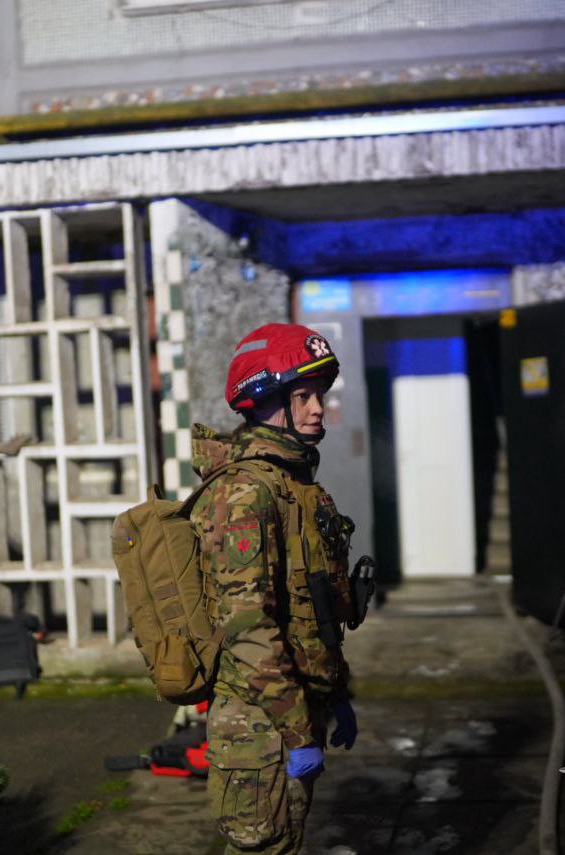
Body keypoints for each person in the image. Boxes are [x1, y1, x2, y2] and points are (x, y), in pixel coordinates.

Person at [192, 323, 360, 854]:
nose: (318, 409)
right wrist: (298, 729)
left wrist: (335, 693)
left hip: (291, 713)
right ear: (265, 399)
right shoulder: (245, 492)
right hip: (259, 727)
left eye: (320, 395)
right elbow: (247, 628)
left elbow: (311, 610)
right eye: (303, 396)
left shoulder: (291, 484)